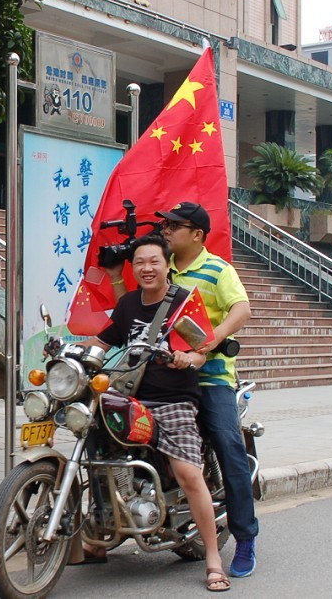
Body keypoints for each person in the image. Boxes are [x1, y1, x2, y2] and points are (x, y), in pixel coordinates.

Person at [82, 237, 231, 592]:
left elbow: (201, 350)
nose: (147, 268)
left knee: (188, 473)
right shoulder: (129, 304)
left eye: (154, 262)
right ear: (133, 268)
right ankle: (99, 534)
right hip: (131, 398)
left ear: (167, 266)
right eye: (140, 263)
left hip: (174, 400)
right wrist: (72, 353)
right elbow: (102, 342)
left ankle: (213, 557)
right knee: (96, 449)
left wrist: (187, 358)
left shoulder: (183, 302)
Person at [157, 202, 258, 578]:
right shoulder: (160, 267)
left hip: (211, 376)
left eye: (174, 226)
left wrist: (212, 339)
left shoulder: (218, 269)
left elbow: (242, 309)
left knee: (229, 447)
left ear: (197, 234)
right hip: (164, 376)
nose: (166, 231)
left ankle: (245, 538)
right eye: (165, 225)